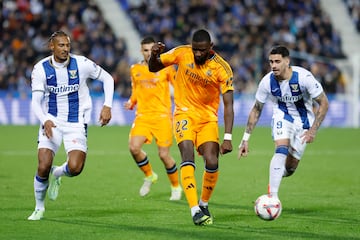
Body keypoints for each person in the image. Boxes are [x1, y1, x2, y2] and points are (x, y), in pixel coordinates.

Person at [149, 29, 234, 226]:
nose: (197, 54)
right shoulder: (181, 52)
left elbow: (229, 104)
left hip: (207, 119)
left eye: (201, 50)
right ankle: (195, 210)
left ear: (210, 48)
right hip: (183, 114)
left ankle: (204, 203)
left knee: (212, 160)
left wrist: (228, 137)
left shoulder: (223, 68)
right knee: (187, 155)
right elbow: (154, 68)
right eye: (195, 49)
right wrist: (154, 54)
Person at [27, 30, 114, 220]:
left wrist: (107, 105)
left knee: (75, 168)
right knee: (43, 165)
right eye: (61, 45)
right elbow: (35, 101)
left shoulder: (81, 63)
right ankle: (39, 207)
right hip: (52, 121)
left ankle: (58, 173)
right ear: (52, 47)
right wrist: (45, 120)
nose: (66, 49)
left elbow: (108, 78)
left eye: (67, 45)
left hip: (76, 122)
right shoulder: (40, 69)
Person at [238, 45, 329, 202]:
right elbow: (256, 109)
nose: (273, 65)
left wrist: (313, 130)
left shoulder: (303, 78)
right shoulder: (267, 82)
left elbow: (324, 103)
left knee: (290, 168)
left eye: (277, 61)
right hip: (282, 117)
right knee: (281, 149)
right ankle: (273, 198)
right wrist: (245, 138)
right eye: (271, 62)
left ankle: (277, 174)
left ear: (287, 61)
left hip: (304, 123)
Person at [124, 36, 182, 200]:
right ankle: (149, 175)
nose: (149, 53)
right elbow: (135, 90)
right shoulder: (135, 69)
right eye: (146, 50)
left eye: (151, 50)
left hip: (162, 117)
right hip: (142, 116)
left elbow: (178, 87)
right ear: (141, 52)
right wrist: (131, 101)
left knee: (164, 155)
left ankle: (176, 187)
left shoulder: (167, 68)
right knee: (134, 148)